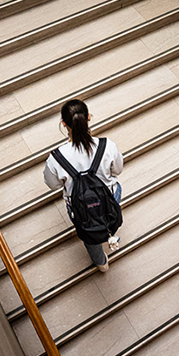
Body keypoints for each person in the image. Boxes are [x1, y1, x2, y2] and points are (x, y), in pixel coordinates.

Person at [44, 99, 124, 272]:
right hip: (109, 196)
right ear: (88, 117)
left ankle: (101, 263)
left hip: (80, 207)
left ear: (64, 124)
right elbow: (118, 170)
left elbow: (52, 185)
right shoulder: (106, 145)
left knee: (88, 233)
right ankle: (110, 227)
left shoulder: (56, 158)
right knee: (116, 189)